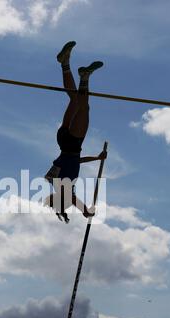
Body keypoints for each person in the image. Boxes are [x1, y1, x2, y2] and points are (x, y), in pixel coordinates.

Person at [44, 41, 107, 223]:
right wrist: (97, 158)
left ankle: (84, 77)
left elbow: (71, 198)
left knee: (84, 107)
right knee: (75, 99)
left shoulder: (61, 186)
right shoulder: (65, 181)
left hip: (72, 143)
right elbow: (76, 160)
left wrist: (84, 211)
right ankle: (64, 63)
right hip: (65, 142)